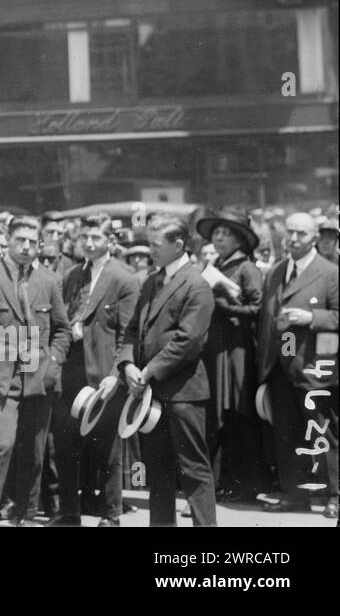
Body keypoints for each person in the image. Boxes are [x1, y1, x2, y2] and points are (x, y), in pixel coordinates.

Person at [0, 216, 71, 526]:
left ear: (39, 245)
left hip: (39, 378)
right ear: (8, 241)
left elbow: (62, 330)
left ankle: (25, 513)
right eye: (19, 240)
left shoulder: (49, 280)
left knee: (35, 451)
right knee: (2, 443)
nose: (26, 247)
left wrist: (53, 361)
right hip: (0, 379)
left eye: (32, 242)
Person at [116, 215, 216, 526]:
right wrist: (128, 364)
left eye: (156, 245)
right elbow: (132, 330)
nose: (150, 251)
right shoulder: (150, 281)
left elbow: (189, 341)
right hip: (151, 392)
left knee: (193, 470)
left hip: (183, 394)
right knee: (157, 471)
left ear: (179, 245)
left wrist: (147, 372)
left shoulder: (196, 285)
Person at [49, 214, 139, 526]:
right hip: (71, 374)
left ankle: (111, 515)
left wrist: (116, 374)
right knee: (66, 444)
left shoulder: (124, 279)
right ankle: (70, 512)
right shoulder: (72, 275)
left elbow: (129, 334)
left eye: (96, 238)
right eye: (85, 237)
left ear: (110, 241)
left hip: (105, 375)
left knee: (109, 449)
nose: (89, 243)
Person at [257, 213, 338, 519]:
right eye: (289, 233)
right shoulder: (277, 271)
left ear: (314, 237)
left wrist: (313, 318)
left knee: (324, 433)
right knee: (287, 433)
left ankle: (335, 496)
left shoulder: (329, 273)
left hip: (315, 368)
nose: (293, 239)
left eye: (300, 234)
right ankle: (294, 494)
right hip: (280, 367)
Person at [193, 207, 265, 502]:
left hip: (235, 349)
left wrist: (225, 307)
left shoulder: (246, 268)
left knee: (235, 412)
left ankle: (243, 483)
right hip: (216, 348)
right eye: (217, 233)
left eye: (226, 233)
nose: (219, 238)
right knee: (216, 415)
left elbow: (258, 309)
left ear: (239, 240)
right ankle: (222, 482)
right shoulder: (216, 266)